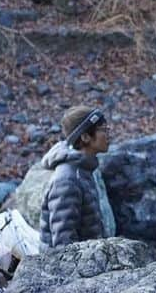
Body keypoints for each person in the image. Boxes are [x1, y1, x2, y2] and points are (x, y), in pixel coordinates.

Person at [39, 105, 110, 248]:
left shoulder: (83, 170)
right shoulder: (67, 179)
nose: (108, 134)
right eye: (103, 130)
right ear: (85, 136)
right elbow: (63, 245)